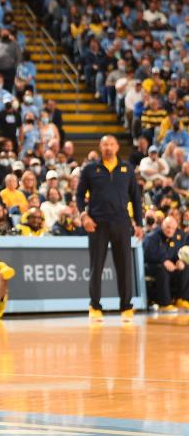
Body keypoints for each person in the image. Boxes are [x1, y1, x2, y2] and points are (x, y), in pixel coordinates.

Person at [76, 135, 143, 322]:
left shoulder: (127, 169)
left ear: (117, 147)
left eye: (111, 144)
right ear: (100, 147)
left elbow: (136, 198)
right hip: (97, 224)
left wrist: (139, 223)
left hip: (122, 223)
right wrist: (83, 215)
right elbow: (79, 195)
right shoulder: (90, 169)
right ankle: (95, 306)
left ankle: (126, 307)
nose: (108, 147)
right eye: (105, 144)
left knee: (124, 267)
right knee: (96, 266)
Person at [142, 216, 187, 313]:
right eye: (168, 227)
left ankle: (181, 299)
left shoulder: (175, 238)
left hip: (169, 266)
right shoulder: (152, 237)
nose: (170, 230)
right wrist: (163, 260)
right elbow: (148, 255)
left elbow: (176, 253)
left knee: (185, 268)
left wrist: (179, 261)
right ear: (162, 226)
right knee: (161, 269)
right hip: (151, 265)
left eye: (173, 228)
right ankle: (165, 303)